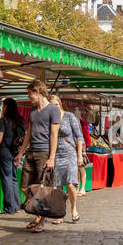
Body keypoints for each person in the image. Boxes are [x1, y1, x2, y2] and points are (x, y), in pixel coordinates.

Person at [14, 80, 60, 233]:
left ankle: (40, 219)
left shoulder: (53, 110)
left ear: (38, 92)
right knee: (25, 187)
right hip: (31, 152)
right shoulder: (33, 111)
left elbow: (54, 135)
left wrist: (52, 157)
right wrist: (21, 152)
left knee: (42, 188)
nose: (29, 97)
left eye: (30, 94)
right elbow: (28, 133)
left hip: (44, 153)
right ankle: (38, 213)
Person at [49, 95, 84, 225]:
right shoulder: (50, 119)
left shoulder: (69, 116)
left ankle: (74, 209)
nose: (55, 108)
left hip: (70, 154)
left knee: (70, 184)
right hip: (56, 155)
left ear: (60, 104)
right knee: (58, 186)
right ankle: (60, 213)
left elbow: (79, 136)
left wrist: (79, 155)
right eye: (52, 106)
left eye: (56, 105)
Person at [0, 98, 26, 214]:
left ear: (6, 106)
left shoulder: (4, 120)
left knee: (6, 178)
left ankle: (9, 207)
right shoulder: (20, 120)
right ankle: (16, 205)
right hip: (15, 152)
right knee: (13, 178)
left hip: (5, 152)